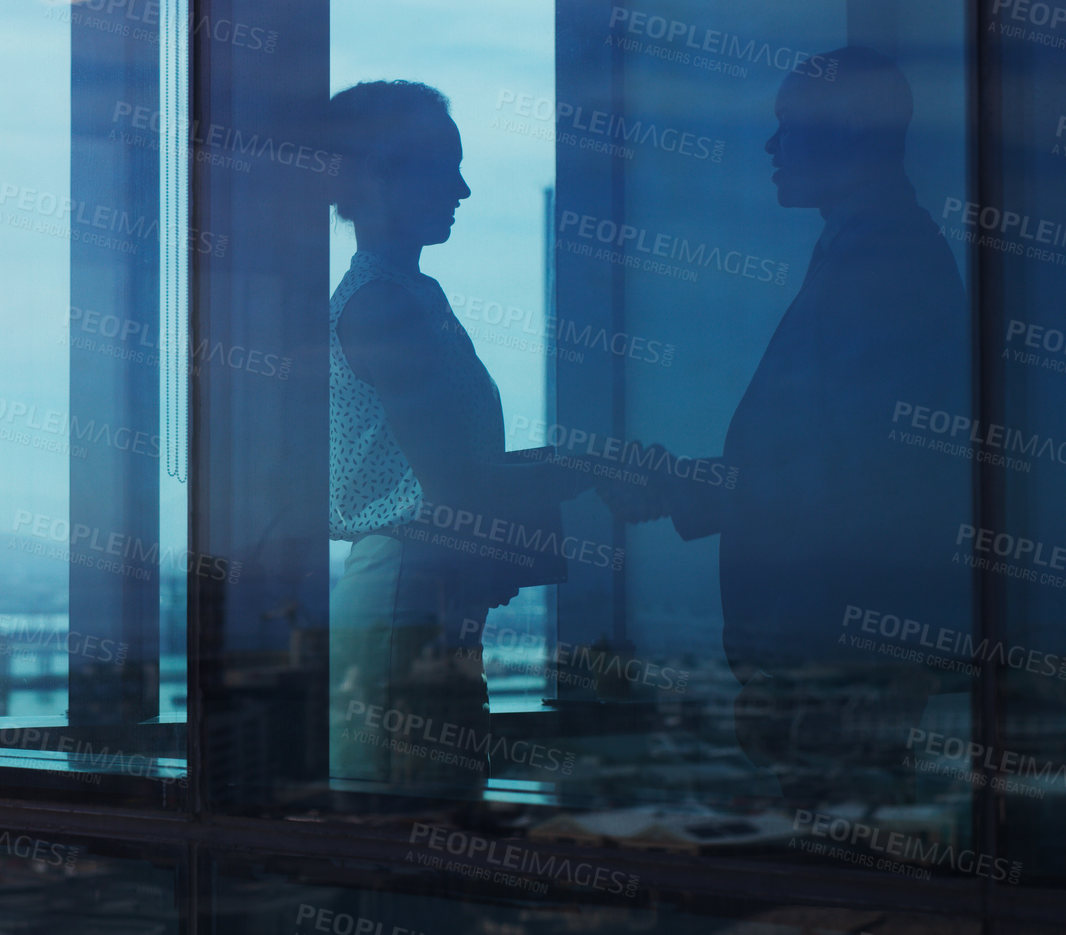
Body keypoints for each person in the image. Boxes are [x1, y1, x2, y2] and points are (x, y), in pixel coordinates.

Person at [622, 48, 970, 801]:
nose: (772, 147)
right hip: (832, 656)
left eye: (790, 127)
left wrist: (688, 487)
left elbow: (849, 477)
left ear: (849, 133)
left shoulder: (882, 262)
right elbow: (827, 460)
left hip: (837, 656)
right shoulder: (868, 253)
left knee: (840, 852)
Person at [326, 80, 598, 792]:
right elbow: (457, 482)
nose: (464, 188)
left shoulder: (412, 295)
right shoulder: (384, 305)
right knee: (412, 813)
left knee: (429, 804)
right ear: (383, 172)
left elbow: (459, 471)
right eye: (444, 166)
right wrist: (590, 470)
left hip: (426, 595)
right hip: (407, 596)